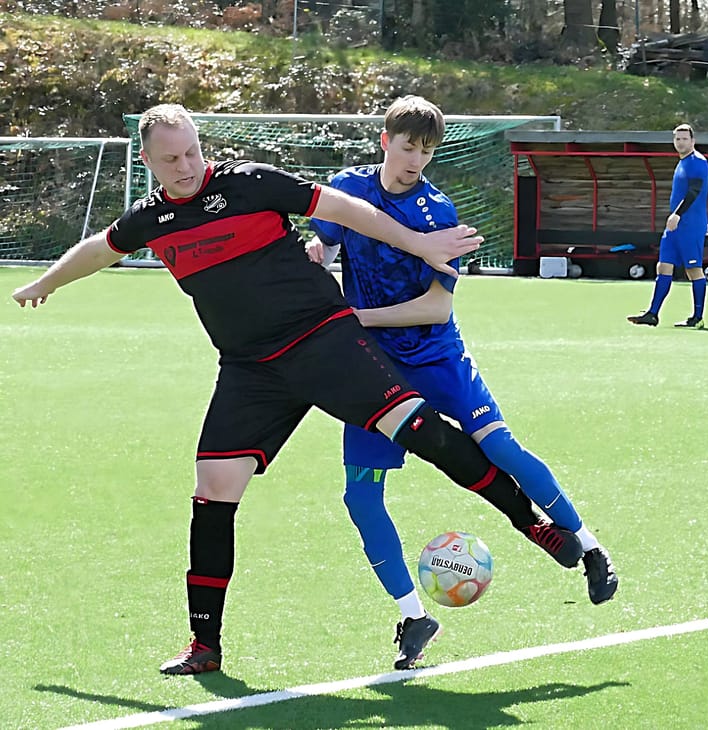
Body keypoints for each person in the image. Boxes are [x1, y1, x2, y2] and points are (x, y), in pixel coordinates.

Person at [11, 103, 581, 677]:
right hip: (250, 368)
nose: (184, 166)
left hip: (321, 338)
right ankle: (204, 646)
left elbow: (345, 209)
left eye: (191, 152)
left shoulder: (251, 182)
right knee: (213, 489)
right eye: (170, 159)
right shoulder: (150, 218)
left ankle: (532, 523)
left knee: (419, 432)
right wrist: (45, 283)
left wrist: (420, 244)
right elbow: (98, 248)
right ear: (147, 160)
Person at [306, 95, 618, 662]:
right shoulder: (346, 190)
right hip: (373, 370)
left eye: (426, 152)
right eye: (407, 148)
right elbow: (327, 242)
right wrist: (318, 251)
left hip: (436, 356)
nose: (415, 161)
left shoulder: (438, 214)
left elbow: (434, 309)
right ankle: (413, 617)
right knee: (361, 495)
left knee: (502, 449)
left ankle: (591, 548)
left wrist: (355, 317)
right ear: (384, 140)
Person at [628, 124, 708, 329]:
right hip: (675, 226)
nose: (680, 142)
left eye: (684, 138)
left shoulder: (698, 162)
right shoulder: (681, 162)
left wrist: (677, 214)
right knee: (663, 266)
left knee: (693, 269)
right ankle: (653, 313)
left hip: (690, 224)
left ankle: (697, 317)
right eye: (677, 139)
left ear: (693, 140)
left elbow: (694, 191)